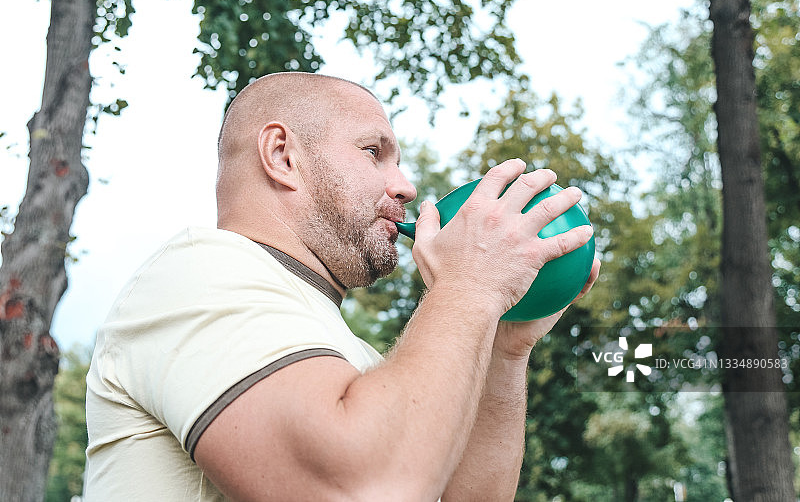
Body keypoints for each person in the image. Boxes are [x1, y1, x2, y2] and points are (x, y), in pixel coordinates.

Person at [84, 72, 600, 501]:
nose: (406, 186)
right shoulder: (198, 275)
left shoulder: (353, 361)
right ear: (283, 155)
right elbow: (361, 488)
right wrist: (470, 286)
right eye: (375, 152)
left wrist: (505, 346)